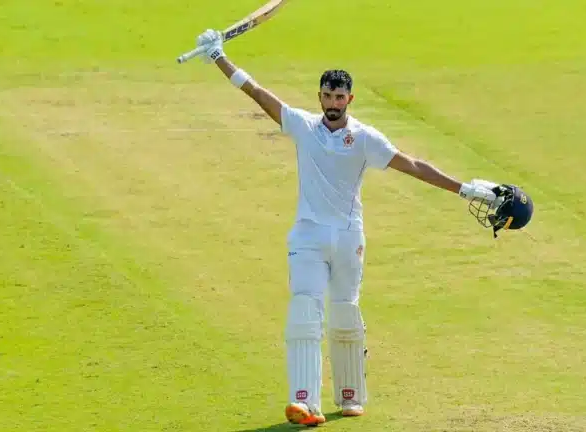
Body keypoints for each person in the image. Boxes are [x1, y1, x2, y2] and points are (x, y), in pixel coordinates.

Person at [192, 29, 527, 427]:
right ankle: (304, 402)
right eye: (327, 96)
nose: (333, 103)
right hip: (308, 236)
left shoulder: (365, 138)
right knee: (305, 308)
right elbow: (259, 93)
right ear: (319, 97)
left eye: (340, 97)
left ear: (349, 99)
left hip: (349, 237)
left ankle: (350, 396)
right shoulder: (302, 125)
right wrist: (218, 58)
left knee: (345, 312)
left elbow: (413, 164)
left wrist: (465, 189)